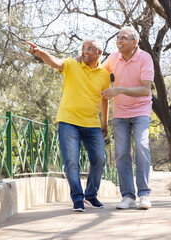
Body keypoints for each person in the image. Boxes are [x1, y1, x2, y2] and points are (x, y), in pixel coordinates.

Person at [26, 39, 110, 212]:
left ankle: (91, 195)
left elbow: (104, 99)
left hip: (92, 124)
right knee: (71, 161)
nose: (85, 52)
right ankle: (78, 198)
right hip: (68, 122)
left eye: (90, 49)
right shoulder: (72, 64)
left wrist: (105, 123)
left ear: (99, 53)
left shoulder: (104, 74)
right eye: (83, 48)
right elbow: (55, 62)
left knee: (100, 160)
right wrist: (40, 52)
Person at [101, 26, 154, 209]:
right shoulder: (114, 58)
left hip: (141, 110)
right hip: (121, 113)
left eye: (123, 38)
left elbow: (145, 89)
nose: (119, 41)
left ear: (134, 42)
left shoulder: (145, 58)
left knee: (142, 145)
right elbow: (99, 73)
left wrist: (120, 89)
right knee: (122, 153)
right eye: (117, 38)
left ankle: (144, 194)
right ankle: (128, 196)